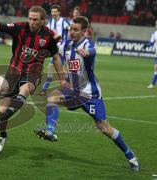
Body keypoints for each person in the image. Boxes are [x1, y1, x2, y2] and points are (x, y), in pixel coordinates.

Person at [34, 16, 141, 172]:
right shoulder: (66, 44)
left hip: (90, 94)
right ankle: (50, 131)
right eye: (70, 29)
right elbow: (55, 57)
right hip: (73, 90)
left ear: (84, 31)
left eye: (76, 30)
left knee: (104, 127)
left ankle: (130, 154)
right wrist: (52, 42)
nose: (71, 32)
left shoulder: (87, 43)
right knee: (52, 98)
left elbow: (93, 50)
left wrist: (86, 52)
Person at [0, 6, 68, 154]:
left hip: (32, 73)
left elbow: (56, 57)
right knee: (2, 111)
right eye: (30, 18)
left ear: (42, 21)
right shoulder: (20, 28)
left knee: (25, 89)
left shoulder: (48, 36)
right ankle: (2, 135)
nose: (32, 22)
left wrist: (63, 80)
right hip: (13, 72)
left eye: (35, 20)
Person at [40, 5, 70, 95]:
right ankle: (69, 84)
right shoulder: (51, 21)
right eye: (52, 12)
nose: (53, 13)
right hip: (54, 48)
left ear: (59, 12)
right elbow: (47, 30)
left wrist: (66, 42)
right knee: (58, 69)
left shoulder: (63, 21)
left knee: (52, 67)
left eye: (55, 12)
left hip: (61, 48)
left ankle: (44, 90)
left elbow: (70, 29)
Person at [143, 22, 157, 88]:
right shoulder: (154, 34)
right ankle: (152, 84)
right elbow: (151, 43)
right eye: (156, 24)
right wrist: (146, 45)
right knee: (156, 69)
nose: (156, 25)